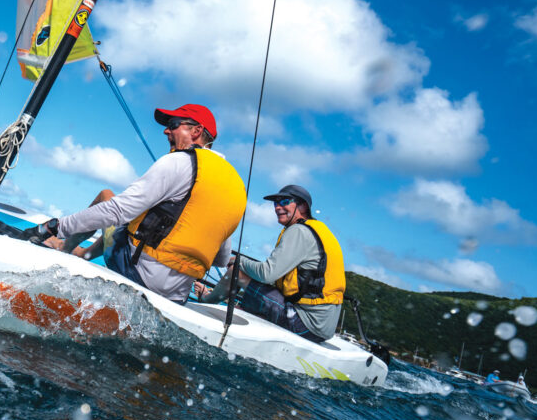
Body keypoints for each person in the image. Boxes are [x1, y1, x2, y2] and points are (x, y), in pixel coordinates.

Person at [23, 104, 246, 303]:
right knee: (129, 224)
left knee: (107, 196)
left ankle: (65, 247)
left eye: (174, 124)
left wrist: (52, 227)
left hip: (138, 275)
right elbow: (221, 259)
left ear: (196, 131)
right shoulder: (235, 186)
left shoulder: (179, 161)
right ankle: (83, 253)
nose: (166, 130)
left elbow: (117, 210)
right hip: (176, 296)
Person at [229, 185, 345, 343]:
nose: (278, 207)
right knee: (245, 304)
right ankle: (239, 308)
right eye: (275, 203)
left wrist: (239, 261)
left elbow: (266, 274)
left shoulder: (299, 231)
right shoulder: (315, 229)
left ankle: (207, 300)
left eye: (284, 201)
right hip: (322, 328)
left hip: (306, 323)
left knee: (235, 272)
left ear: (302, 206)